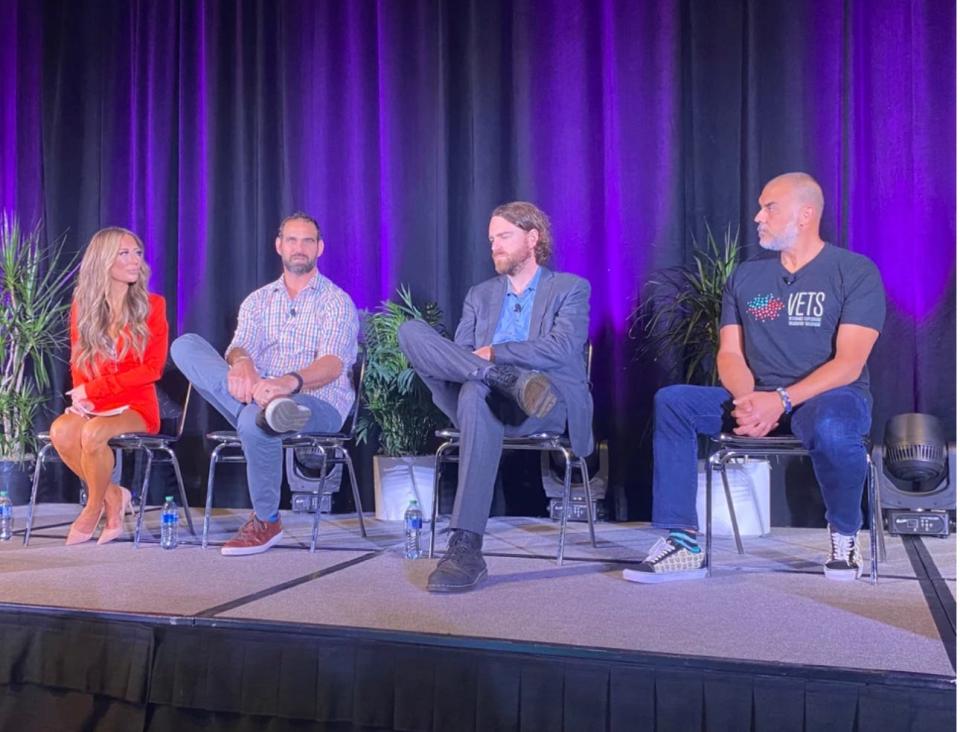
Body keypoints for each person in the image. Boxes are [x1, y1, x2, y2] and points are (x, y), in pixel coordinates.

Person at [624, 172, 885, 584]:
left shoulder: (853, 271)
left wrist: (779, 400)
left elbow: (849, 364)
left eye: (769, 207)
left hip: (829, 397)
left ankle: (845, 535)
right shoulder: (746, 277)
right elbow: (729, 352)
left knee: (835, 427)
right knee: (674, 401)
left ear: (805, 214)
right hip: (758, 400)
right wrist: (749, 401)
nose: (757, 216)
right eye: (760, 207)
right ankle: (683, 541)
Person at [398, 201, 592, 592]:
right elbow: (459, 352)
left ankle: (466, 545)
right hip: (484, 390)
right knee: (413, 334)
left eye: (504, 236)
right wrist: (489, 370)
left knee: (474, 390)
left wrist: (497, 353)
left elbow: (561, 347)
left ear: (532, 238)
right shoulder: (479, 294)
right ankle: (496, 379)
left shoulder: (569, 288)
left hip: (541, 399)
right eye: (491, 240)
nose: (495, 247)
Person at [170, 212, 358, 556]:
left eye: (307, 241)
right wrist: (243, 365)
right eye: (292, 240)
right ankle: (268, 409)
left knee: (253, 421)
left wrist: (287, 383)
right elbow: (241, 345)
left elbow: (332, 365)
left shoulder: (336, 301)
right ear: (278, 246)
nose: (299, 247)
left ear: (320, 248)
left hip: (317, 402)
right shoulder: (258, 300)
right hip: (258, 393)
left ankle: (267, 520)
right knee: (185, 345)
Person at [49, 227, 169, 546]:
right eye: (124, 253)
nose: (135, 261)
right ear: (103, 261)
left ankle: (92, 508)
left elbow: (152, 369)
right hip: (96, 402)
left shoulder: (153, 306)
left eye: (137, 253)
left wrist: (96, 389)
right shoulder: (83, 309)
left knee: (93, 434)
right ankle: (114, 497)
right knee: (61, 431)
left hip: (136, 406)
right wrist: (81, 398)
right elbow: (78, 361)